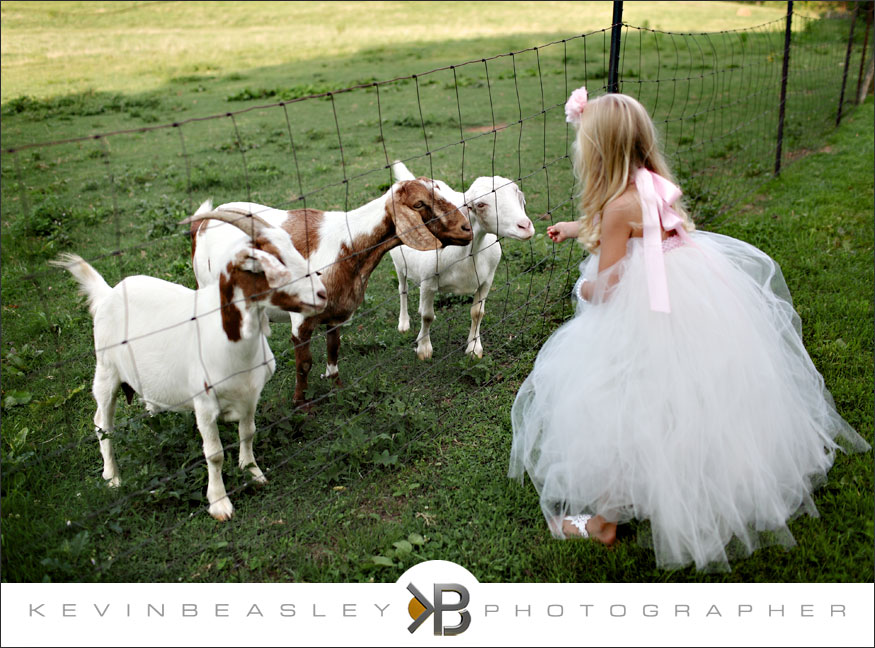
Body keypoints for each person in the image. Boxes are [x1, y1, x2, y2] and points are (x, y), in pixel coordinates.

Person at [508, 87, 870, 571]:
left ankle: (604, 522)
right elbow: (632, 227)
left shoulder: (617, 208)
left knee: (620, 400)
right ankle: (702, 477)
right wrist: (578, 228)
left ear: (598, 153)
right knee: (690, 395)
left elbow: (608, 285)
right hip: (694, 292)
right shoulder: (650, 182)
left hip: (643, 310)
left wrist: (584, 291)